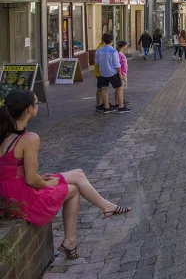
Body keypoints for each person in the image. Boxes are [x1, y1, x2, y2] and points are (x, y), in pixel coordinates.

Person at [0, 91, 131, 260]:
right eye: (36, 103)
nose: (38, 106)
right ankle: (70, 241)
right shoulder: (29, 139)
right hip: (22, 196)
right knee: (74, 189)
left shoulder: (4, 134)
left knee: (78, 174)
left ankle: (106, 207)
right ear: (29, 109)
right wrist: (46, 183)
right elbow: (31, 179)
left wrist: (40, 178)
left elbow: (12, 170)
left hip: (7, 192)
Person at [95, 33, 130, 113]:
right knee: (119, 88)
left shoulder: (99, 50)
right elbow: (117, 64)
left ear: (103, 40)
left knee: (104, 89)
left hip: (103, 73)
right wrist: (120, 74)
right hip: (112, 73)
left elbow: (97, 62)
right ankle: (121, 106)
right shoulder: (113, 51)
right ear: (112, 41)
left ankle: (106, 107)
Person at [93, 39, 106, 112]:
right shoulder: (101, 49)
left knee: (102, 88)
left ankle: (103, 103)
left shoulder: (101, 48)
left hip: (100, 72)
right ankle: (98, 105)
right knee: (100, 88)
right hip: (100, 73)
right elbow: (100, 62)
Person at [116, 41, 130, 108]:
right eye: (126, 45)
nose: (126, 47)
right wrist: (120, 74)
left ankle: (120, 101)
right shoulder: (119, 54)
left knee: (121, 89)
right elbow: (117, 65)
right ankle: (119, 102)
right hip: (122, 74)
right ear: (124, 46)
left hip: (124, 73)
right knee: (120, 89)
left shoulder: (121, 53)